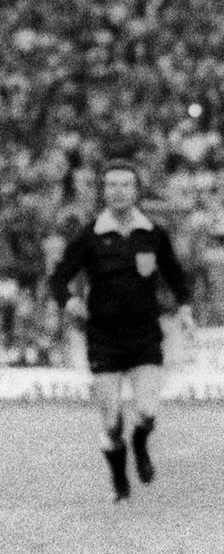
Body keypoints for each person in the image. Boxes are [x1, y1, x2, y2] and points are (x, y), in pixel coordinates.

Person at [49, 162, 190, 500]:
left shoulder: (153, 233)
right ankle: (120, 482)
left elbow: (176, 275)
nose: (118, 191)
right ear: (103, 190)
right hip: (104, 339)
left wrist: (184, 308)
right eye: (111, 185)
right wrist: (69, 302)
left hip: (144, 337)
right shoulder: (89, 235)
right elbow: (58, 279)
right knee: (111, 424)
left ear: (136, 190)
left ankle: (140, 444)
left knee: (146, 411)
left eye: (125, 184)